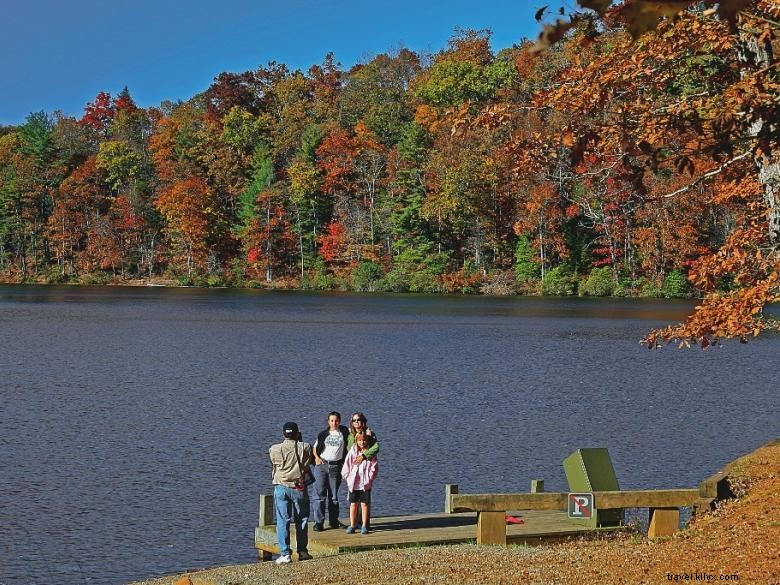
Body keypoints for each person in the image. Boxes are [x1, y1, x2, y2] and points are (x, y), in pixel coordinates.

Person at [268, 421, 314, 564]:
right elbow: (307, 464)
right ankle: (302, 551)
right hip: (298, 488)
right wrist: (299, 440)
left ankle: (285, 553)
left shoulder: (274, 449)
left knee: (282, 520)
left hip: (281, 487)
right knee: (302, 519)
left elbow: (274, 465)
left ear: (283, 434)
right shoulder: (305, 447)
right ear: (297, 433)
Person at [311, 411, 350, 531]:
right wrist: (317, 458)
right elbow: (314, 448)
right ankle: (319, 522)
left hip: (336, 467)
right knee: (319, 495)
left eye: (336, 420)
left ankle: (333, 521)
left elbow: (357, 430)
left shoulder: (344, 432)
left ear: (340, 421)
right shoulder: (323, 434)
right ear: (328, 421)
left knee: (333, 496)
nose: (334, 423)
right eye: (332, 420)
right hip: (322, 466)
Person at [341, 432, 378, 534]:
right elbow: (346, 465)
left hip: (365, 484)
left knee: (364, 504)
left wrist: (369, 479)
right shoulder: (353, 452)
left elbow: (374, 468)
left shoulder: (370, 454)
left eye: (364, 440)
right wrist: (347, 477)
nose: (362, 442)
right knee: (353, 504)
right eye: (360, 440)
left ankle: (364, 525)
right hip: (353, 483)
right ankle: (352, 525)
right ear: (356, 441)